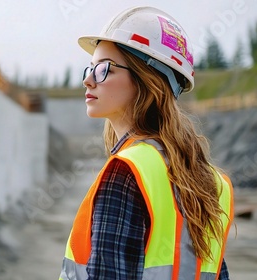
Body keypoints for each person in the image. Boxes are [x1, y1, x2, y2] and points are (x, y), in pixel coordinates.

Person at [59, 6, 234, 280]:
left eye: (104, 69)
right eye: (90, 68)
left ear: (146, 81)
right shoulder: (214, 183)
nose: (88, 80)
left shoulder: (128, 172)